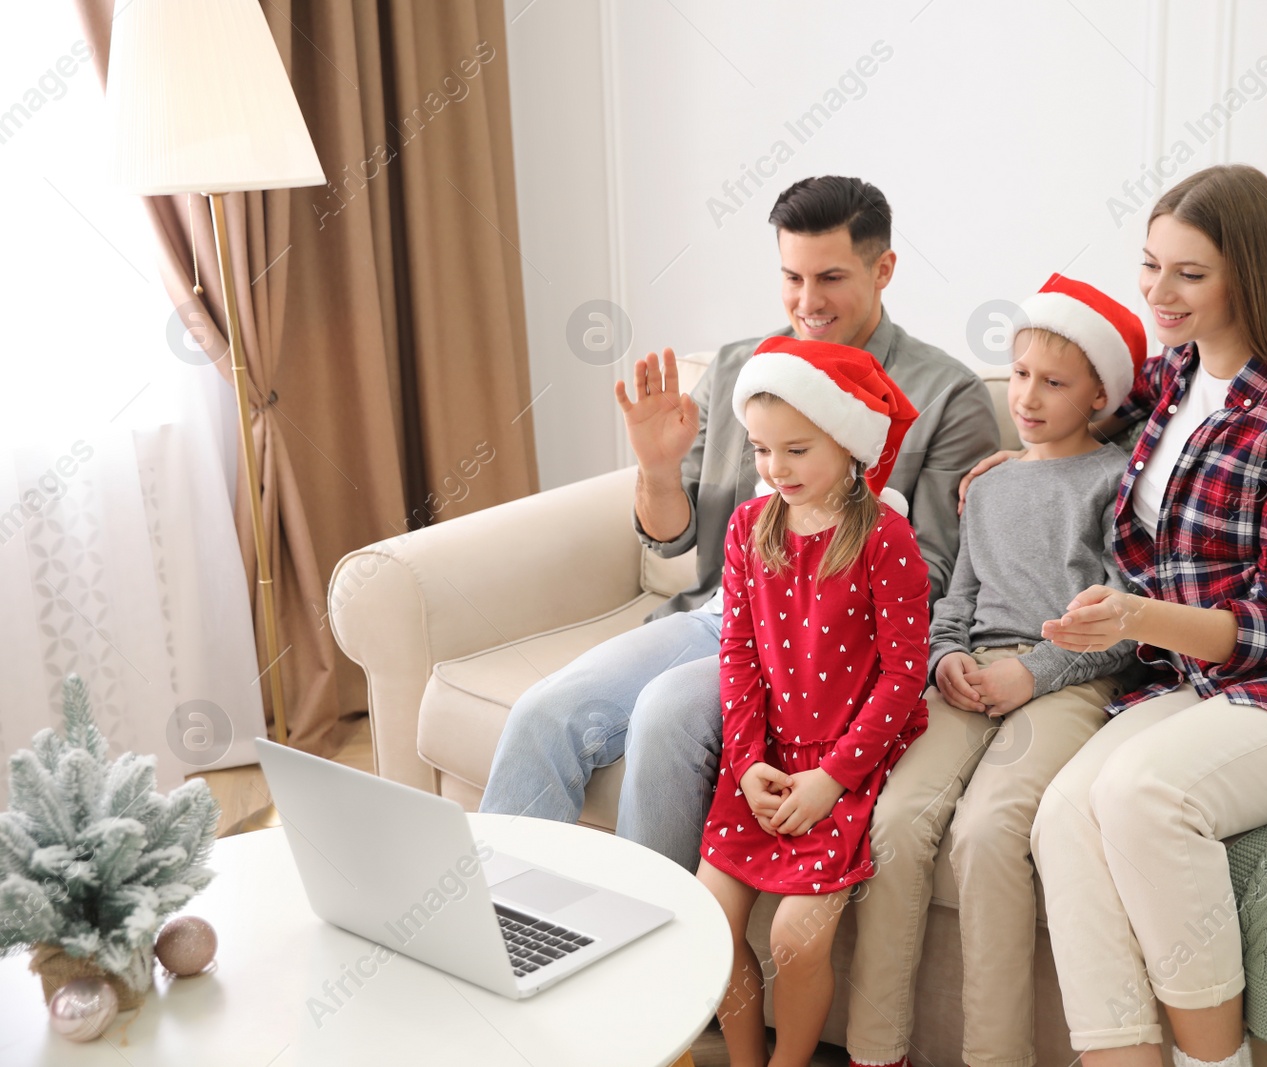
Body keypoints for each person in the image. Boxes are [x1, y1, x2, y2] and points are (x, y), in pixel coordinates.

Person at [964, 164, 1267, 1067]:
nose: (1158, 292)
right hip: (1211, 677)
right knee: (1064, 813)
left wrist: (1136, 615)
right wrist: (1016, 459)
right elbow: (1072, 405)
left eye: (1189, 273)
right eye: (1150, 265)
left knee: (1139, 794)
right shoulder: (1169, 380)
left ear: (1247, 276)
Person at [478, 176, 1000, 873]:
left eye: (831, 277)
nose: (807, 302)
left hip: (818, 646)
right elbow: (671, 536)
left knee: (666, 712)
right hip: (718, 613)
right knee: (543, 712)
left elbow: (932, 573)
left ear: (884, 269)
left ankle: (649, 959)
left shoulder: (945, 394)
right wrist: (658, 471)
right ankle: (495, 933)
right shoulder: (738, 371)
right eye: (792, 276)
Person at [892, 275, 1144, 1067]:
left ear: (1100, 395)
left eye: (1055, 382)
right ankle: (877, 1047)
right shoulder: (990, 483)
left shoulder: (1117, 482)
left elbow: (1127, 627)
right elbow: (957, 596)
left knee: (988, 830)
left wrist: (1032, 673)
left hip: (1066, 679)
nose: (1027, 396)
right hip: (970, 673)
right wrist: (947, 657)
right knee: (895, 822)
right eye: (1022, 373)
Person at [697, 335, 931, 1067]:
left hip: (844, 764)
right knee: (708, 922)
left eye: (796, 450)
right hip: (762, 760)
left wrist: (831, 778)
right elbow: (735, 654)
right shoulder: (747, 527)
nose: (775, 469)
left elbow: (903, 674)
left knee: (795, 938)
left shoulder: (887, 541)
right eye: (763, 450)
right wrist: (745, 764)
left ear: (849, 444)